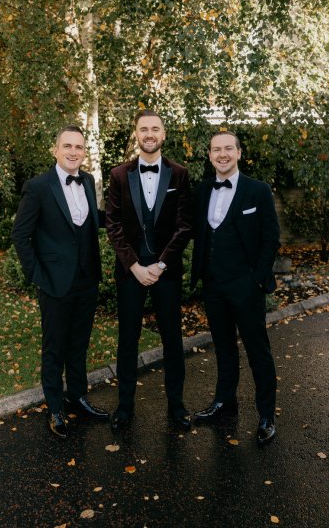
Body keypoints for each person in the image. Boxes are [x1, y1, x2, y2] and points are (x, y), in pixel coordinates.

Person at [11, 125, 109, 439]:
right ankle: (55, 407)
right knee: (54, 348)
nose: (73, 152)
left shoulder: (89, 180)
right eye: (67, 146)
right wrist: (37, 275)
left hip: (87, 279)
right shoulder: (38, 186)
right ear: (56, 150)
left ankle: (77, 396)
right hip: (53, 282)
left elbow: (91, 220)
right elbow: (20, 235)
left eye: (78, 147)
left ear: (84, 152)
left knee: (79, 344)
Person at [191, 130, 280, 444]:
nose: (222, 154)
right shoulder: (203, 190)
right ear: (210, 155)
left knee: (258, 352)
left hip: (246, 286)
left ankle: (266, 415)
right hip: (213, 285)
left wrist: (257, 278)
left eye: (229, 148)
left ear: (239, 153)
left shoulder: (257, 191)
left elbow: (271, 238)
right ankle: (225, 403)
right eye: (217, 149)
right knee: (224, 348)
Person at [106, 109, 192, 432]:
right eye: (144, 129)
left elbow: (184, 227)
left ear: (164, 134)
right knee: (127, 340)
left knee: (172, 339)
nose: (149, 134)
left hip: (166, 273)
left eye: (155, 128)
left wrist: (159, 265)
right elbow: (113, 226)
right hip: (130, 274)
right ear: (136, 134)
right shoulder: (118, 175)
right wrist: (134, 266)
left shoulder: (180, 175)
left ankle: (177, 406)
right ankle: (125, 407)